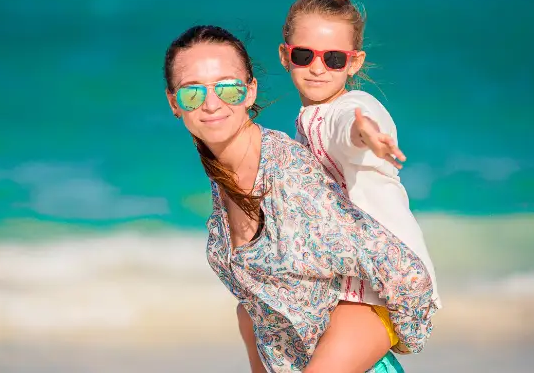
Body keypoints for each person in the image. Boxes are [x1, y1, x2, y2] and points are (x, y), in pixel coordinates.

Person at [163, 25, 437, 372]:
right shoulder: (224, 177)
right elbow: (256, 310)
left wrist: (394, 337)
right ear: (174, 103)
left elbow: (405, 273)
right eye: (192, 93)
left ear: (249, 91)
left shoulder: (285, 172)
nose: (212, 103)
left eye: (228, 88)